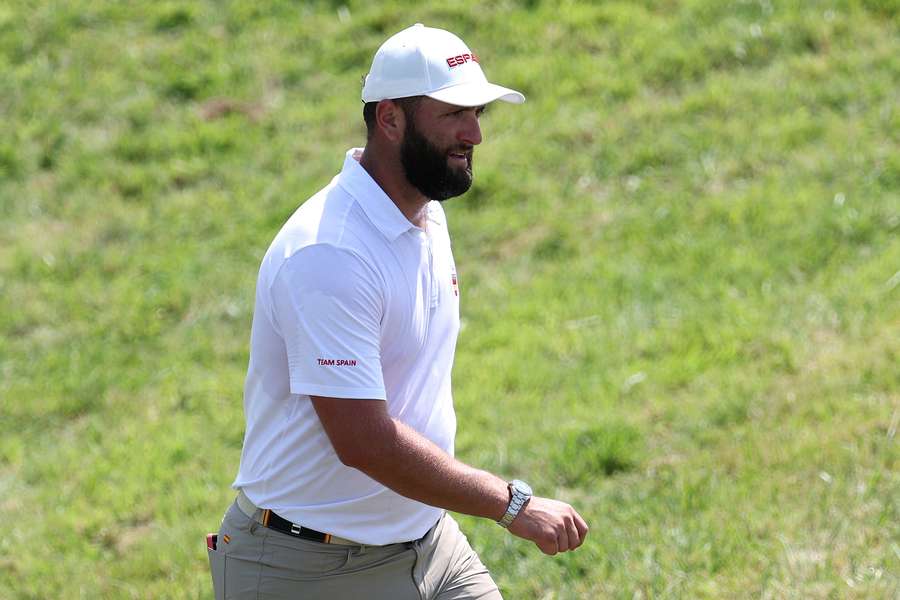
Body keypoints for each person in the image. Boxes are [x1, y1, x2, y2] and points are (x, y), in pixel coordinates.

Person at [208, 23, 588, 600]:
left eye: (479, 113)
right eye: (454, 114)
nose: (475, 135)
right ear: (390, 119)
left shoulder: (425, 212)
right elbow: (364, 441)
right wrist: (512, 506)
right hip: (306, 570)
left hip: (429, 544)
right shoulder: (329, 253)